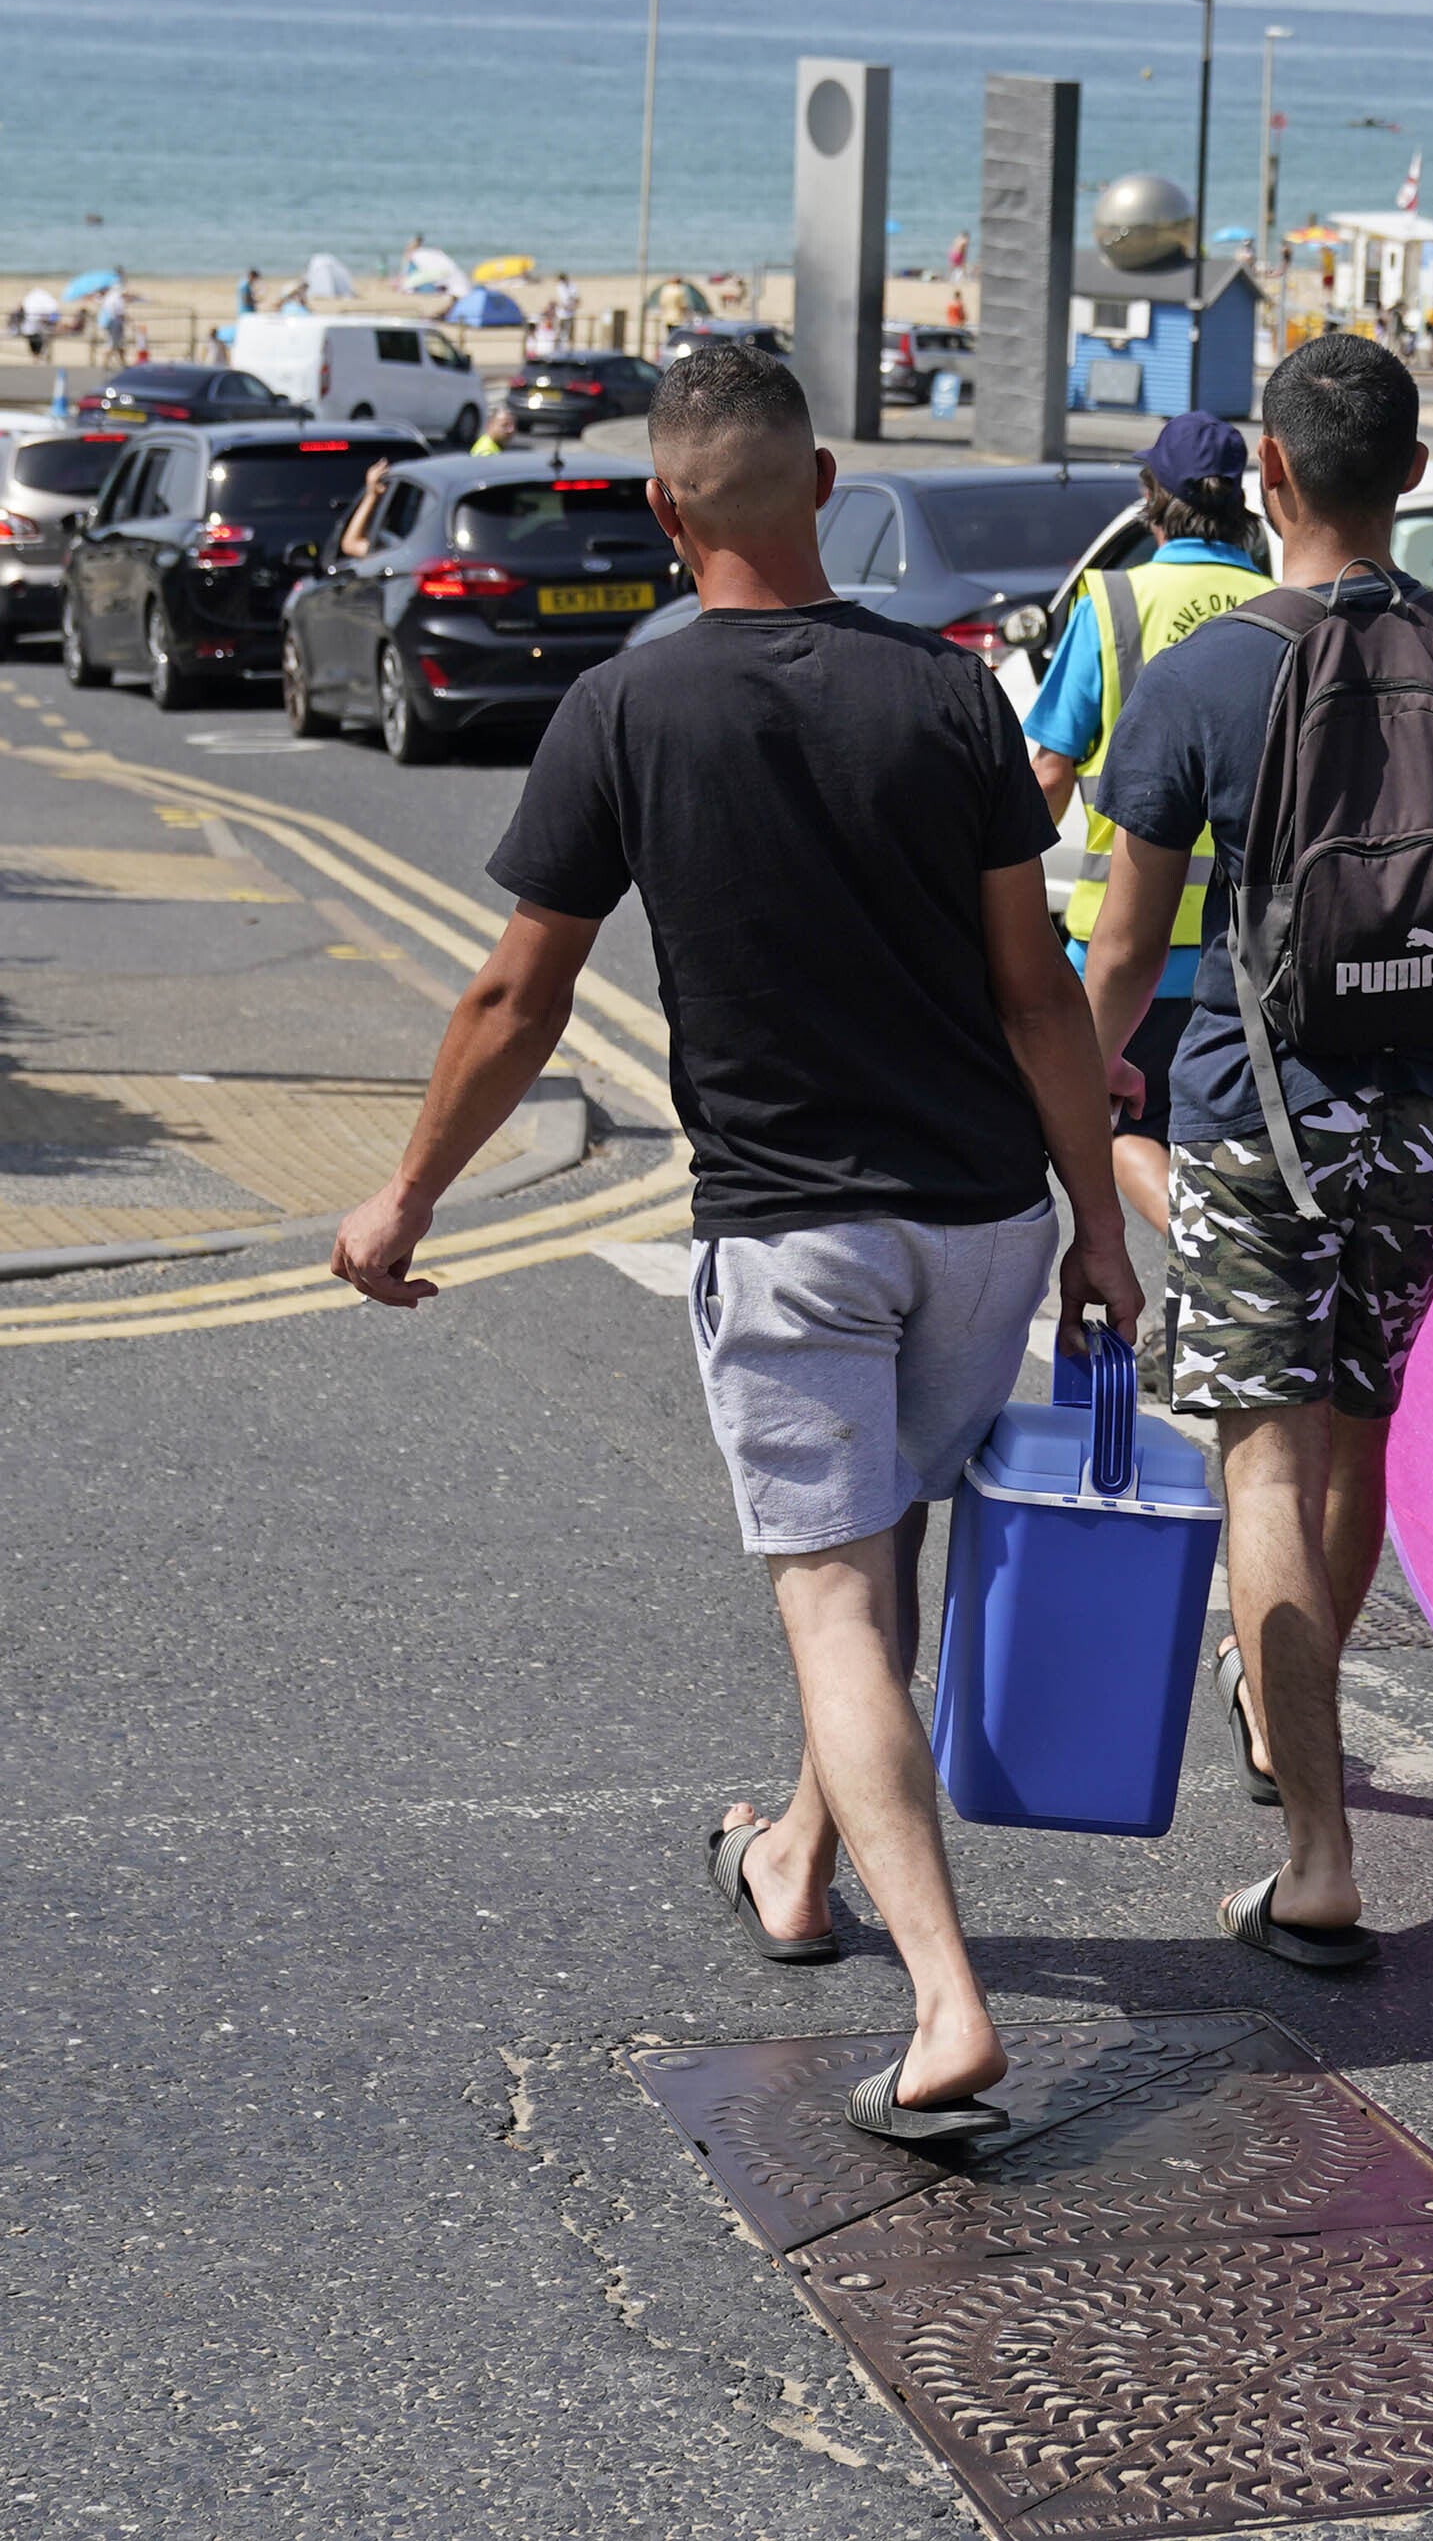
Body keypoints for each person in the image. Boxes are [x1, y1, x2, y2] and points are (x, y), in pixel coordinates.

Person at [328, 342, 1136, 2147]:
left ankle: (946, 2004)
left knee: (835, 1601)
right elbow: (1040, 996)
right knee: (877, 1545)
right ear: (828, 479)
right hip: (981, 1228)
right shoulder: (949, 701)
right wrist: (1098, 1229)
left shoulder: (628, 712)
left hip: (792, 1236)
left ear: (666, 507)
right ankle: (792, 1866)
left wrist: (405, 1198)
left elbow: (515, 996)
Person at [1077, 333, 1433, 1972]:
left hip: (1256, 1127)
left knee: (1264, 1464)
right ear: (1419, 481)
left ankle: (1314, 1847)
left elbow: (1121, 947)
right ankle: (1288, 1722)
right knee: (1356, 1430)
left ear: (1272, 476)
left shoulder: (1203, 676)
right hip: (1431, 1127)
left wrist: (1084, 1081)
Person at [1023, 411, 1271, 1291]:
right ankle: (1243, 1264)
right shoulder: (1284, 609)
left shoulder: (1114, 603)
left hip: (1122, 944)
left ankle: (1215, 1254)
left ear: (1151, 501)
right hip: (1256, 949)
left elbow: (1048, 768)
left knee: (1124, 1127)